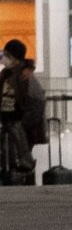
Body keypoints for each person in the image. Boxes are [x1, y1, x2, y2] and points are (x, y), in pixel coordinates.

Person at [0, 38, 44, 183]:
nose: (3, 58)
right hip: (7, 124)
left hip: (20, 126)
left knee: (21, 157)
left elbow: (36, 103)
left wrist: (23, 124)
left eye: (7, 55)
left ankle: (23, 182)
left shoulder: (26, 76)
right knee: (8, 156)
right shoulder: (5, 74)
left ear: (15, 58)